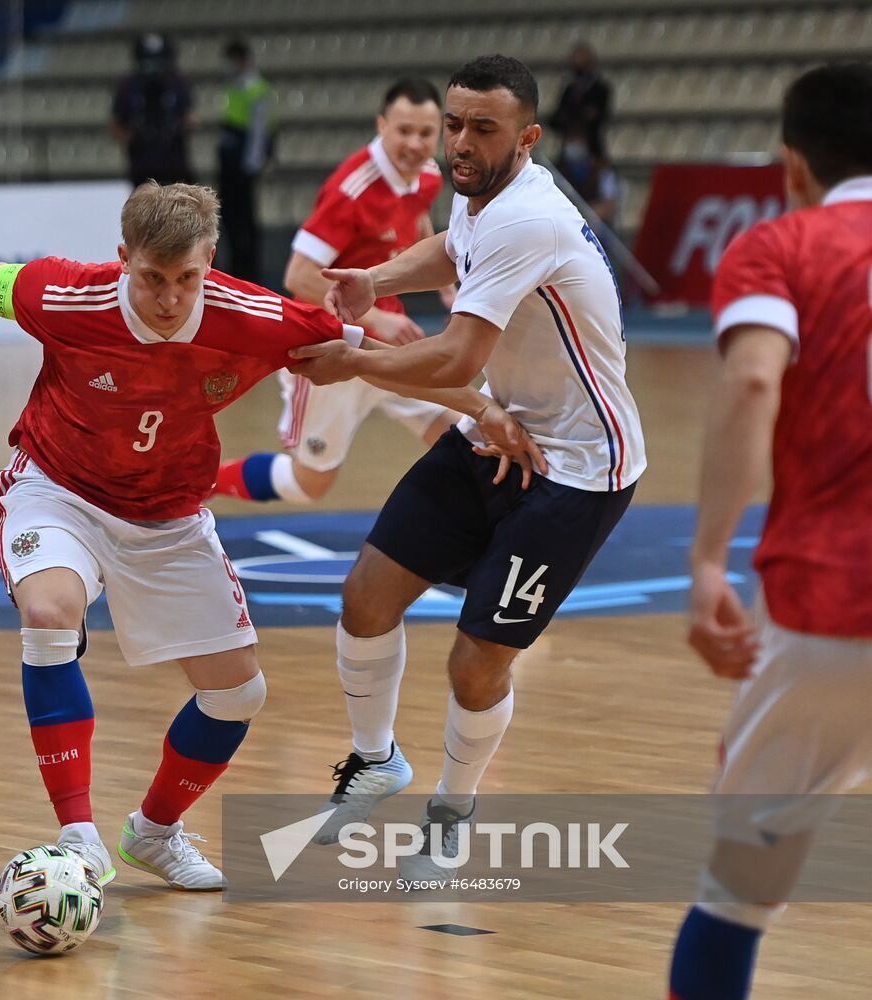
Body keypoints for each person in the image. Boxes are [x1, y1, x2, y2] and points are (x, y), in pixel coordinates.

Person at [0, 182, 539, 891]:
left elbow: (370, 358)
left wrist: (480, 409)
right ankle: (77, 836)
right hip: (59, 488)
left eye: (186, 279)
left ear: (210, 261)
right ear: (123, 260)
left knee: (237, 693)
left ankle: (154, 833)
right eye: (151, 279)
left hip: (167, 513)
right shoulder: (67, 293)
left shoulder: (255, 317)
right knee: (49, 615)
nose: (169, 298)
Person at [287, 55, 646, 878]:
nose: (458, 142)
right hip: (499, 434)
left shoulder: (528, 219)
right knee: (365, 596)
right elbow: (453, 250)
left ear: (527, 137)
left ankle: (452, 811)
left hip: (576, 473)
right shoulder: (479, 191)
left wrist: (353, 359)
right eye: (453, 124)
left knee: (475, 661)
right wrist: (372, 278)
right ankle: (375, 762)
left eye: (482, 128)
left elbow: (453, 358)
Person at [668, 62, 872, 1000]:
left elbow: (753, 380)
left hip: (833, 604)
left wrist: (708, 559)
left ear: (791, 163)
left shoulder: (779, 246)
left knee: (738, 892)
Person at [215, 79, 460, 505]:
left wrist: (446, 286)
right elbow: (298, 275)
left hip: (387, 346)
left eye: (425, 133)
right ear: (382, 126)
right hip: (330, 348)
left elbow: (419, 220)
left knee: (458, 432)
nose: (415, 144)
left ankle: (470, 530)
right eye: (404, 130)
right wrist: (377, 317)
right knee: (311, 484)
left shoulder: (427, 176)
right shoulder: (352, 191)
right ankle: (203, 482)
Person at [216, 38, 275, 284]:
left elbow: (259, 132)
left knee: (245, 220)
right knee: (229, 217)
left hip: (243, 165)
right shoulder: (235, 87)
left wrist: (251, 165)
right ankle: (236, 267)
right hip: (230, 163)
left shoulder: (256, 90)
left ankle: (249, 271)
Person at [111, 33, 195, 186]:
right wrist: (134, 136)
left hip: (174, 163)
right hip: (142, 165)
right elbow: (115, 123)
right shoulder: (127, 85)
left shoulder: (177, 82)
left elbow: (191, 118)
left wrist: (175, 129)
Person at [548, 41, 611, 163]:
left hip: (590, 147)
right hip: (568, 143)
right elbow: (556, 118)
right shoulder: (569, 89)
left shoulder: (599, 88)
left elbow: (600, 116)